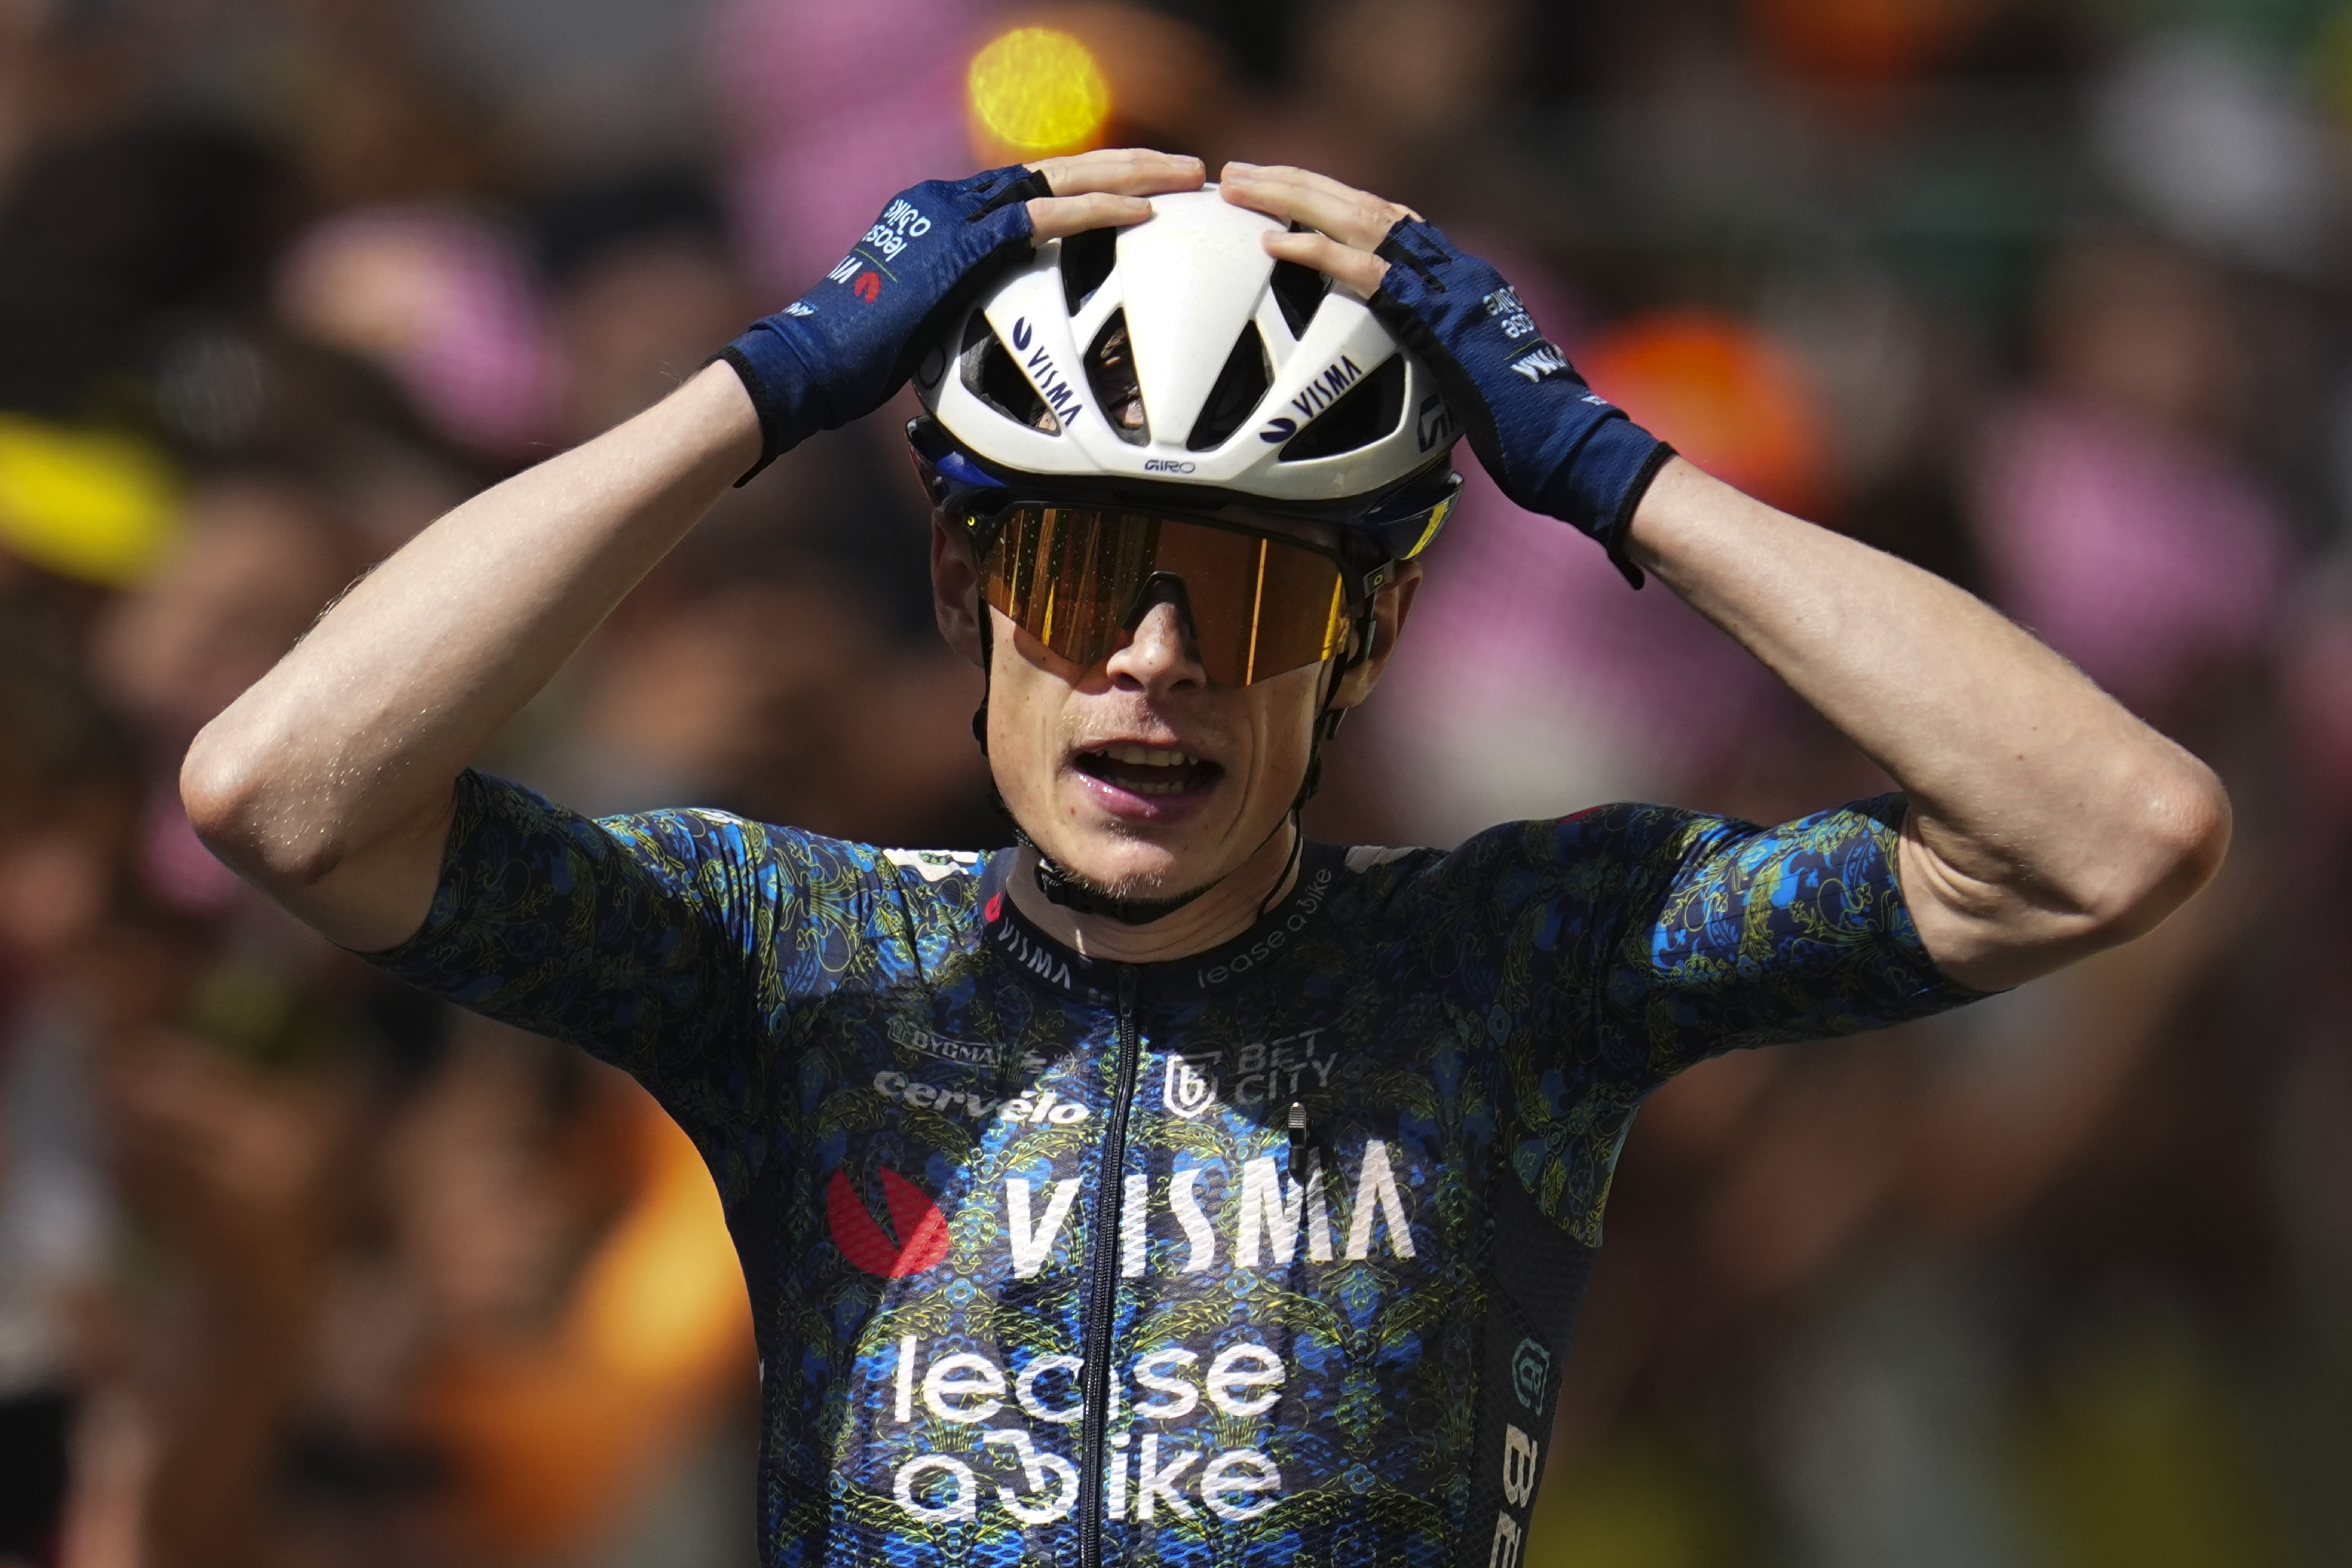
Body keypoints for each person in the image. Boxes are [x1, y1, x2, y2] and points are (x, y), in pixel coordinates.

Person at [179, 149, 2228, 1565]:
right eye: (1076, 575)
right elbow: (287, 795)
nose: (1152, 672)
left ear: (1373, 638)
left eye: (1246, 604)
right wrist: (762, 388)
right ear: (964, 585)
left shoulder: (1529, 958)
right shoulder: (792, 954)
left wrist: (1604, 468)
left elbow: (2105, 836)